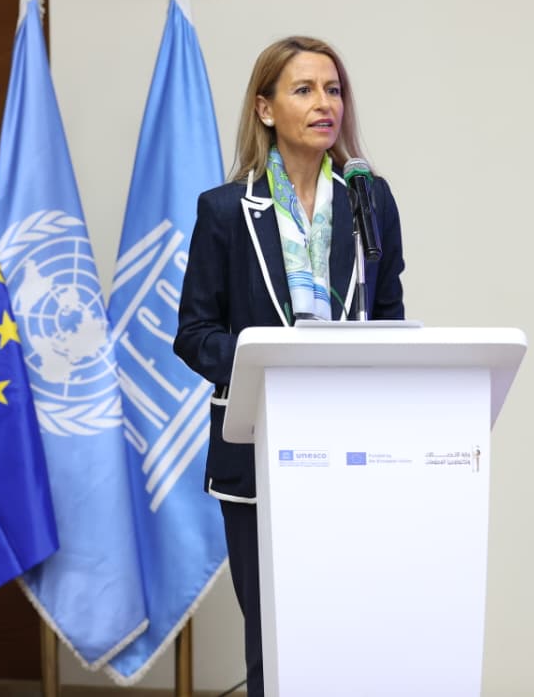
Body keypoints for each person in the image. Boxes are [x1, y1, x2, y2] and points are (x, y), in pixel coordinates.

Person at [173, 36, 405, 696]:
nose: (324, 103)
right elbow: (194, 334)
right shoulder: (226, 211)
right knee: (274, 641)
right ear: (266, 108)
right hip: (259, 451)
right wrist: (265, 362)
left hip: (355, 449)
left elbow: (389, 315)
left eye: (333, 89)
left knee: (350, 636)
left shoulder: (369, 199)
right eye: (304, 89)